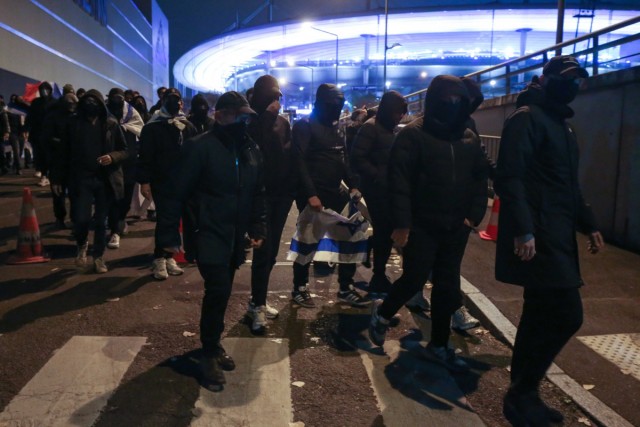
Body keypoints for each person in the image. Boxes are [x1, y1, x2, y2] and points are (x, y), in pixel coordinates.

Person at [494, 56, 604, 426]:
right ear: (545, 79)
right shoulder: (527, 117)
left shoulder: (560, 123)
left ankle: (522, 394)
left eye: (579, 80)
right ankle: (522, 391)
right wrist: (523, 229)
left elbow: (567, 183)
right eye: (567, 79)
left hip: (556, 233)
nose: (574, 86)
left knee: (539, 313)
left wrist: (588, 223)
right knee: (567, 314)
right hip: (539, 235)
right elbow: (511, 177)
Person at [368, 75, 489, 373]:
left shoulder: (468, 137)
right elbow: (399, 183)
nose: (453, 107)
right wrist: (402, 224)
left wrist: (473, 216)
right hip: (422, 224)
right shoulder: (412, 135)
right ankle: (382, 315)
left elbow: (479, 179)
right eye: (447, 101)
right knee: (414, 277)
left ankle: (439, 342)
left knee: (447, 285)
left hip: (455, 227)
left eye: (458, 102)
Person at [157, 91, 266, 389]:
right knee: (218, 288)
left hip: (235, 236)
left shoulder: (249, 149)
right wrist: (167, 235)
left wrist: (258, 225)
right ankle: (208, 351)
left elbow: (257, 191)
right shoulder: (199, 148)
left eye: (246, 116)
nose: (243, 121)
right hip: (207, 231)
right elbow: (174, 192)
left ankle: (213, 344)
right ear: (220, 116)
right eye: (236, 115)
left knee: (224, 289)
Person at [291, 83, 369, 308]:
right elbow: (300, 162)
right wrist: (311, 195)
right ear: (321, 103)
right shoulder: (304, 126)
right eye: (333, 104)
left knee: (351, 240)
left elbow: (343, 157)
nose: (337, 108)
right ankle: (299, 287)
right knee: (306, 243)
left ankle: (345, 287)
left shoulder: (338, 125)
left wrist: (353, 185)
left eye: (340, 104)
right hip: (314, 197)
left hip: (337, 192)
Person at [50, 89, 128, 273]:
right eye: (87, 100)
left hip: (104, 178)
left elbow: (124, 149)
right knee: (81, 218)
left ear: (101, 104)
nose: (90, 104)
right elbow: (62, 154)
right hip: (81, 178)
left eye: (95, 101)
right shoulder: (73, 123)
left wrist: (112, 156)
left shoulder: (110, 123)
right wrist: (57, 178)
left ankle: (98, 257)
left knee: (101, 221)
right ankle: (82, 243)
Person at [245, 75, 296, 334]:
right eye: (272, 97)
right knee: (262, 252)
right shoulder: (250, 122)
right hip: (260, 197)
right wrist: (265, 117)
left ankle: (259, 300)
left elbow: (288, 156)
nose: (276, 102)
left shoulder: (283, 124)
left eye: (279, 97)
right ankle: (256, 304)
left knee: (271, 252)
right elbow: (256, 150)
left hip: (280, 196)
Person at [136, 88, 197, 280]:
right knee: (165, 219)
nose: (175, 103)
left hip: (184, 181)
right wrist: (144, 182)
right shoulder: (152, 127)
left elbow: (195, 154)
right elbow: (145, 156)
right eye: (171, 99)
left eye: (178, 99)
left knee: (176, 219)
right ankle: (159, 258)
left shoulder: (187, 126)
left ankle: (169, 256)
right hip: (162, 181)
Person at [350, 91, 407, 294]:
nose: (400, 116)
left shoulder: (387, 128)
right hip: (376, 189)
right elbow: (357, 157)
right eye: (398, 112)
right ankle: (378, 275)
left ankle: (374, 262)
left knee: (385, 230)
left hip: (385, 187)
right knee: (385, 229)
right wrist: (378, 175)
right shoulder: (371, 128)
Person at [105, 88, 144, 249]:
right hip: (111, 164)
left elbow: (141, 130)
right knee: (114, 197)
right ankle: (115, 230)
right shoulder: (105, 116)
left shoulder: (131, 115)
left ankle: (120, 220)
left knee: (126, 198)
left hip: (130, 163)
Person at [41, 93, 79, 229]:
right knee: (58, 193)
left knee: (75, 193)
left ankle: (75, 218)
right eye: (69, 103)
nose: (72, 106)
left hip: (74, 161)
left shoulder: (78, 117)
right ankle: (60, 217)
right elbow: (46, 139)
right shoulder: (53, 117)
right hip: (58, 161)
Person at [26, 82, 56, 186]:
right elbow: (29, 117)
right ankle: (44, 175)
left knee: (50, 156)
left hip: (51, 135)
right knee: (40, 156)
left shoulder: (55, 103)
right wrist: (26, 129)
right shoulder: (36, 103)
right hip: (37, 134)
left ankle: (50, 176)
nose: (44, 91)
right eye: (42, 89)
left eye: (46, 89)